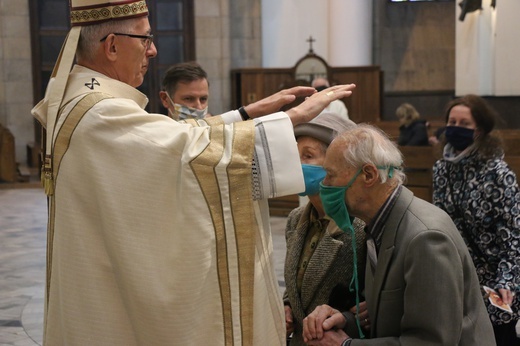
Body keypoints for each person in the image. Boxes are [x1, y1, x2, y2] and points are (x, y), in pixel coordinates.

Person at [30, 1, 356, 345]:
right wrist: (293, 118)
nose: (153, 50)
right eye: (145, 38)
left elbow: (179, 142)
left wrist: (245, 114)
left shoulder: (82, 99)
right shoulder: (99, 113)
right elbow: (185, 153)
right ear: (111, 45)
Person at [301, 124, 496, 345]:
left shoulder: (425, 238)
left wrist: (346, 345)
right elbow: (391, 315)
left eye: (330, 175)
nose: (324, 184)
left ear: (368, 174)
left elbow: (431, 341)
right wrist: (345, 322)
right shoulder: (378, 223)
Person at [432, 94, 520, 346]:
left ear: (479, 131)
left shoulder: (497, 173)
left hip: (497, 281)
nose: (455, 128)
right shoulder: (442, 169)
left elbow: (514, 235)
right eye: (452, 121)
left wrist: (506, 281)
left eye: (464, 124)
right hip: (460, 279)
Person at [284, 112, 367, 345]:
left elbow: (373, 303)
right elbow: (297, 281)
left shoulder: (360, 225)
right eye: (295, 155)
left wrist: (346, 318)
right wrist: (287, 306)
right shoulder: (296, 218)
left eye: (307, 156)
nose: (296, 164)